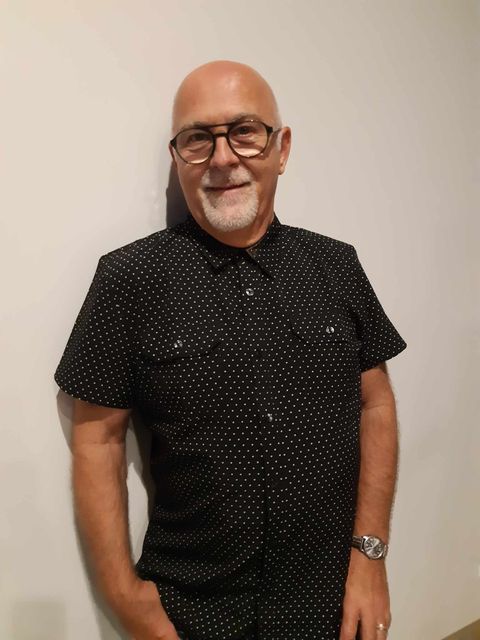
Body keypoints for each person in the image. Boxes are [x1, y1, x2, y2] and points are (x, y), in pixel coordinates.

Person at [54, 59, 407, 640]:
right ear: (177, 157)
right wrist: (126, 599)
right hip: (192, 612)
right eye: (198, 138)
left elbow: (377, 405)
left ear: (281, 148)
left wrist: (370, 556)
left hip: (333, 603)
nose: (222, 158)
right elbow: (97, 439)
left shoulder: (336, 265)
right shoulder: (128, 279)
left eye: (244, 131)